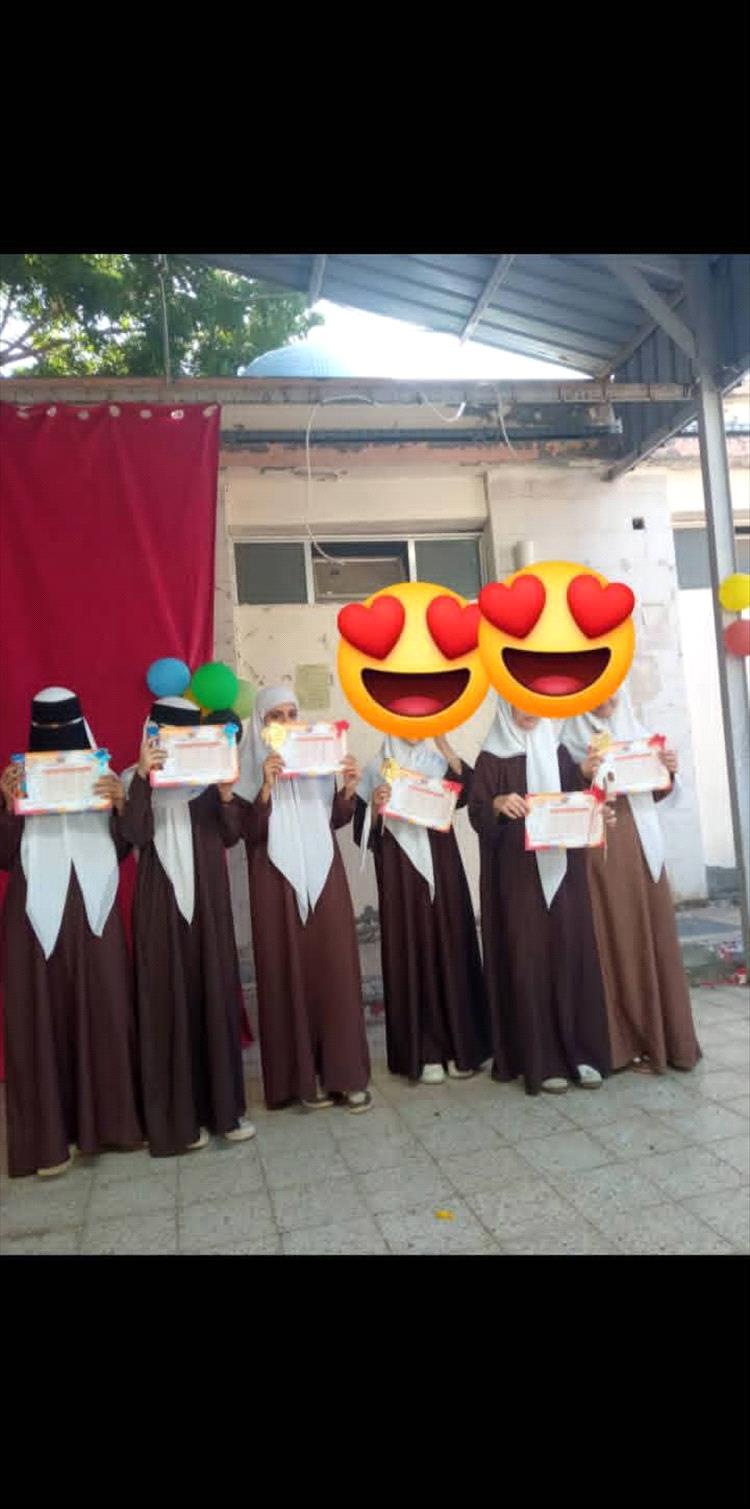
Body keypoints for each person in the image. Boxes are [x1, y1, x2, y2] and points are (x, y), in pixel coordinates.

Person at [0, 687, 142, 1177]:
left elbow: (124, 847)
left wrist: (120, 804)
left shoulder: (101, 777)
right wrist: (8, 804)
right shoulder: (17, 780)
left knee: (106, 1005)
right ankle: (48, 1142)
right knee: (41, 1015)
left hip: (93, 905)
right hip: (33, 909)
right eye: (47, 730)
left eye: (65, 729)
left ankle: (112, 1126)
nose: (57, 738)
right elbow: (4, 856)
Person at [118, 696, 253, 1157]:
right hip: (160, 902)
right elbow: (133, 834)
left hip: (209, 900)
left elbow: (232, 834)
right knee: (166, 999)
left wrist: (226, 793)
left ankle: (225, 1111)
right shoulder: (132, 779)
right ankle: (177, 1121)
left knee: (213, 992)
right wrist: (143, 775)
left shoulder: (209, 777)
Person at [233, 684, 372, 1113]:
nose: (287, 723)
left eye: (292, 714)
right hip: (273, 882)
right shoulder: (247, 768)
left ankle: (346, 1076)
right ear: (260, 724)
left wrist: (348, 788)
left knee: (335, 969)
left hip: (325, 873)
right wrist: (266, 787)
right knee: (284, 970)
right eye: (275, 716)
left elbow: (335, 818)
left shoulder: (317, 761)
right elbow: (244, 831)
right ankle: (299, 1081)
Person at [468, 697, 612, 1096]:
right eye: (518, 703)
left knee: (571, 951)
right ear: (505, 706)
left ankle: (580, 1053)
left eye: (533, 702)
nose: (528, 711)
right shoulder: (491, 757)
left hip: (565, 872)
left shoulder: (557, 749)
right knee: (529, 958)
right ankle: (541, 1058)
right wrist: (497, 804)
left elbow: (575, 798)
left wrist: (588, 786)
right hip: (518, 877)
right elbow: (477, 814)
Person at [562, 683, 701, 1075]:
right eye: (595, 695)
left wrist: (667, 771)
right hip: (600, 851)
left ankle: (663, 1040)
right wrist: (581, 773)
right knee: (614, 939)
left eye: (611, 694)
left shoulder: (640, 735)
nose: (605, 703)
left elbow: (655, 792)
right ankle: (620, 1044)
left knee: (651, 936)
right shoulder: (568, 742)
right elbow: (557, 798)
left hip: (642, 846)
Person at [354, 733, 490, 1084]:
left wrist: (444, 744)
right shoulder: (376, 768)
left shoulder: (436, 762)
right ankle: (425, 1051)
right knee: (412, 949)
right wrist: (375, 806)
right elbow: (360, 833)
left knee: (450, 945)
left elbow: (469, 792)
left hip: (442, 866)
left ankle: (461, 1048)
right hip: (400, 873)